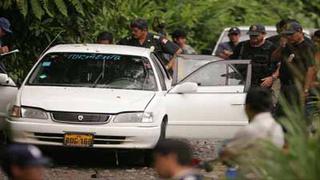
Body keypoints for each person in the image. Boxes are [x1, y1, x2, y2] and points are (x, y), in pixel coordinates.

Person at [220, 87, 285, 161]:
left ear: (247, 107)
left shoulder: (249, 130)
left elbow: (227, 154)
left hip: (252, 171)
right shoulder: (277, 127)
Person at [272, 21, 317, 109]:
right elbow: (274, 58)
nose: (289, 37)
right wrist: (281, 47)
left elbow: (311, 69)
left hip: (299, 86)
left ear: (300, 32)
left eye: (291, 34)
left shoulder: (308, 47)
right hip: (285, 86)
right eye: (287, 35)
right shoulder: (288, 46)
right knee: (280, 115)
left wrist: (306, 89)